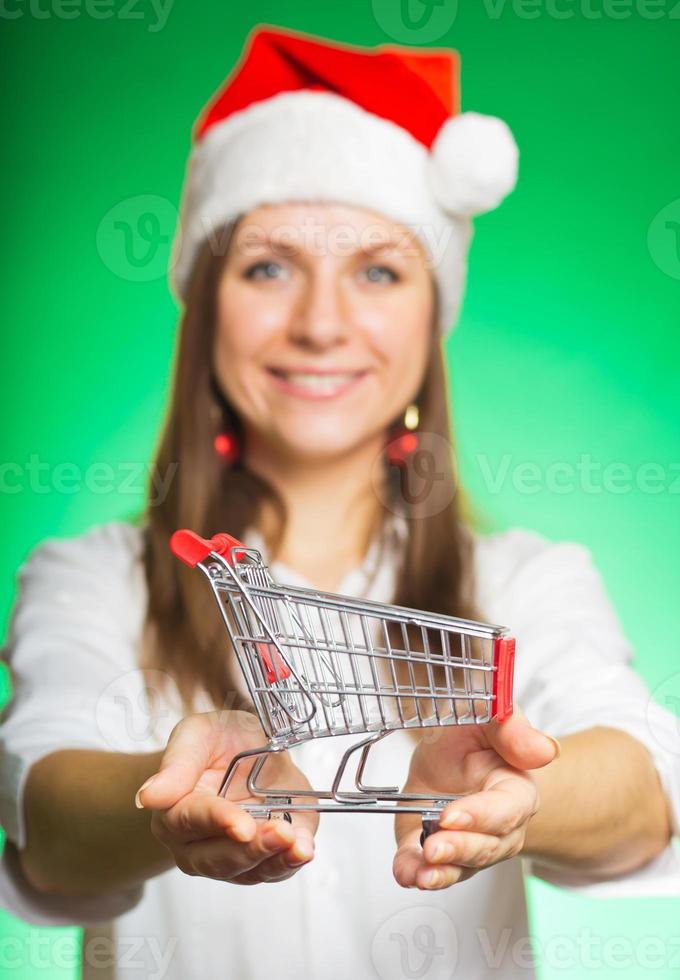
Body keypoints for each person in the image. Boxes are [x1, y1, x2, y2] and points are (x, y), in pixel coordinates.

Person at [1, 25, 679, 980]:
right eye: (268, 266)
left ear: (429, 316)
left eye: (378, 270)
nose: (321, 324)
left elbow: (648, 787)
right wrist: (174, 788)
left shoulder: (527, 578)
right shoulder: (91, 580)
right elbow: (47, 817)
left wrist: (514, 790)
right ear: (207, 310)